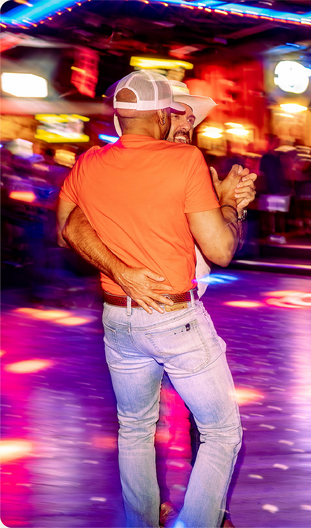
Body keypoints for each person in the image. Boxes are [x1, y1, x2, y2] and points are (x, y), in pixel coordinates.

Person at [56, 70, 252, 528]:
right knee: (222, 430)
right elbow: (221, 249)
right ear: (164, 115)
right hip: (173, 316)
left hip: (117, 320)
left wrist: (118, 271)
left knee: (135, 429)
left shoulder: (88, 164)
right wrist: (231, 208)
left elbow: (67, 228)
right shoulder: (184, 161)